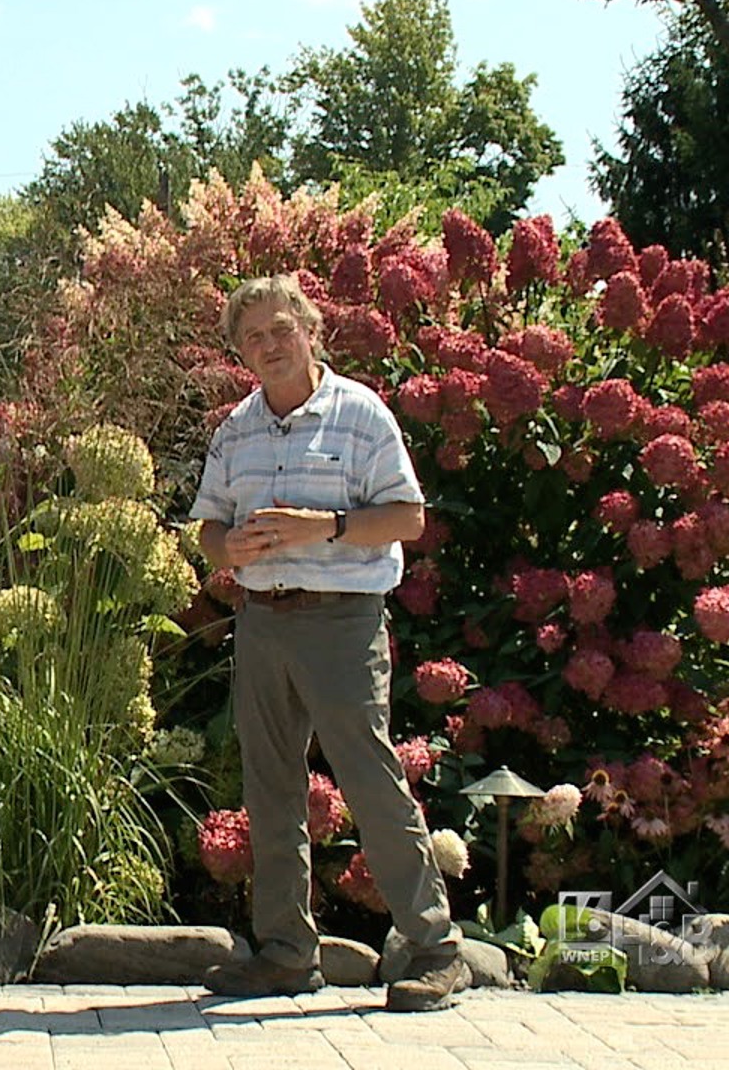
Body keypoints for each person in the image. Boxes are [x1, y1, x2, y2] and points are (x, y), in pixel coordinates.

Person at [190, 275, 468, 1013]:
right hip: (262, 620)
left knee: (369, 779)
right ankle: (285, 953)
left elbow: (407, 518)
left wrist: (328, 526)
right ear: (239, 353)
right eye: (253, 338)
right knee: (270, 788)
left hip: (343, 621)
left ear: (309, 327)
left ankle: (436, 951)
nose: (270, 345)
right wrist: (231, 547)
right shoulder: (236, 430)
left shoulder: (360, 414)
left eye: (281, 329)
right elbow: (209, 530)